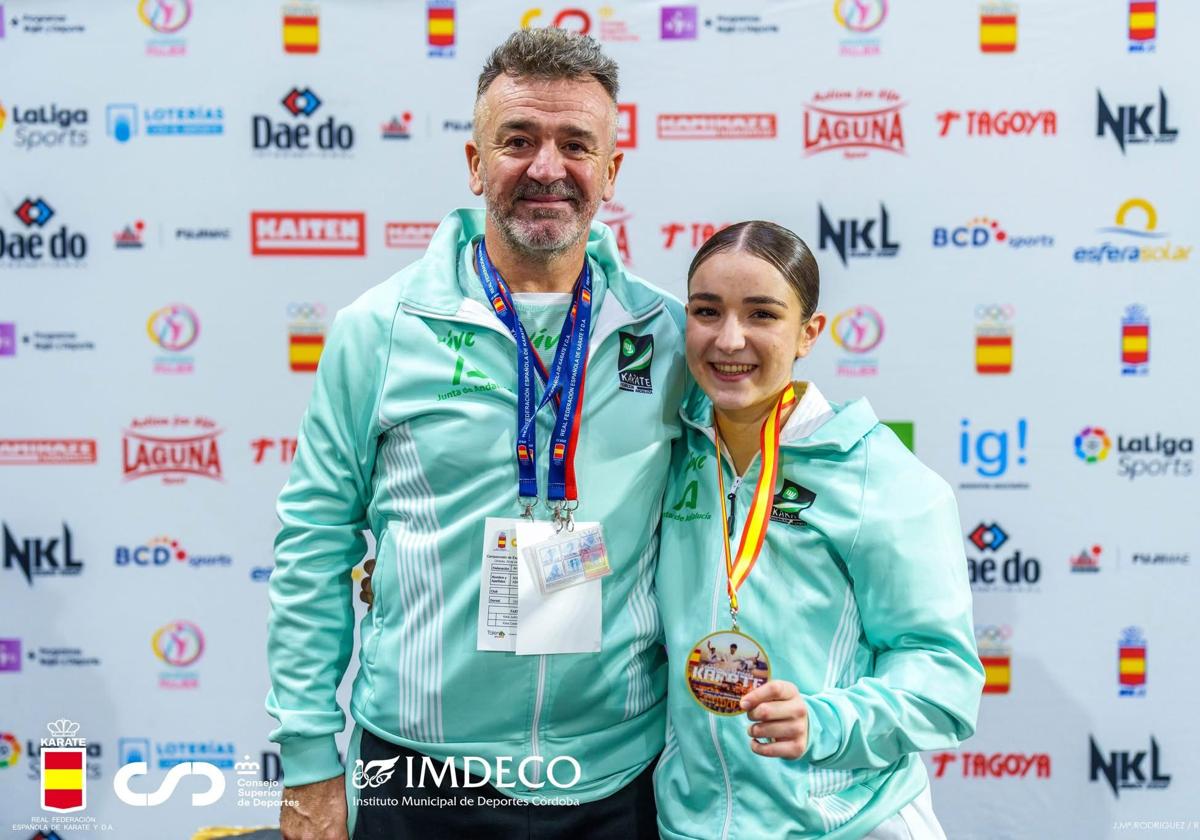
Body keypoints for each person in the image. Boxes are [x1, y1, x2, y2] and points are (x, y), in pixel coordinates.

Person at [267, 28, 684, 840]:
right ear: (473, 163)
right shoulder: (379, 329)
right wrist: (310, 758)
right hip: (420, 770)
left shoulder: (666, 337)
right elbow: (314, 542)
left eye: (575, 145)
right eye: (518, 141)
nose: (546, 168)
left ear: (611, 170)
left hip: (614, 772)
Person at [653, 221, 983, 839]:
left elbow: (945, 678)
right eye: (707, 311)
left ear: (809, 333)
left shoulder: (876, 476)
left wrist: (825, 722)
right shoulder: (668, 453)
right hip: (692, 825)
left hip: (845, 825)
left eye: (762, 314)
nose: (729, 339)